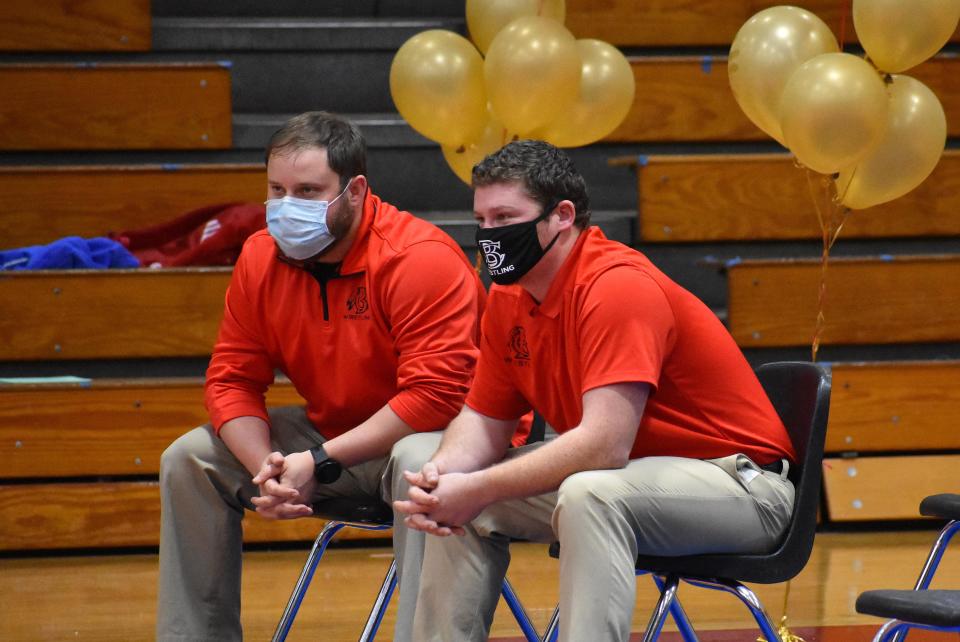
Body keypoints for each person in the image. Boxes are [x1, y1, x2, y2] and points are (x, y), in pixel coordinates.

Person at [395, 140, 797, 642]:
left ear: (562, 215)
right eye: (483, 221)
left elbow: (605, 445)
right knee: (443, 483)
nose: (490, 236)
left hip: (742, 487)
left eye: (505, 218)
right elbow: (482, 420)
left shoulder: (615, 286)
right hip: (632, 477)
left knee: (588, 493)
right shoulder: (507, 298)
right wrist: (446, 474)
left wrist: (476, 488)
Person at [156, 111, 485, 642]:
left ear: (354, 191)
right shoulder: (260, 257)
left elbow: (438, 395)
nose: (288, 207)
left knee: (421, 463)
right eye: (277, 190)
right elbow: (232, 379)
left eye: (308, 191)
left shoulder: (419, 259)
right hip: (333, 437)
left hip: (438, 439)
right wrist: (265, 467)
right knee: (189, 459)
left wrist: (319, 461)